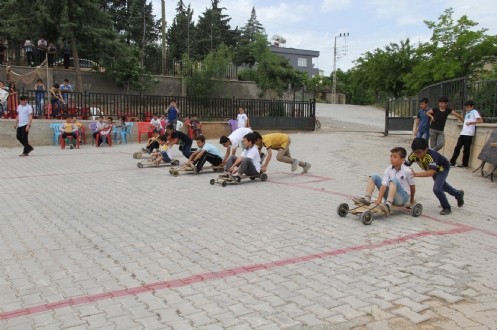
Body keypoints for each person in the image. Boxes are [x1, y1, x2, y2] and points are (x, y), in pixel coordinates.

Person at [405, 137, 464, 215]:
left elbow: (431, 173)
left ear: (426, 149)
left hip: (442, 169)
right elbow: (405, 166)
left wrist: (416, 174)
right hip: (433, 170)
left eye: (419, 152)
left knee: (437, 189)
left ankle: (446, 207)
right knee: (443, 187)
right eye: (415, 152)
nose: (417, 155)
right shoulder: (413, 154)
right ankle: (458, 194)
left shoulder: (431, 155)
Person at [353, 147, 416, 214]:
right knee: (374, 176)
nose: (392, 159)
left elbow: (412, 187)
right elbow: (384, 185)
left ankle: (388, 205)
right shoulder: (388, 169)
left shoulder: (408, 171)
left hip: (402, 198)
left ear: (402, 160)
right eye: (391, 156)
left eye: (395, 157)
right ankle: (367, 199)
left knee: (393, 180)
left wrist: (411, 201)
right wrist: (379, 199)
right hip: (390, 195)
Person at [449, 100, 483, 168]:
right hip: (463, 133)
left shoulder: (474, 112)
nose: (466, 108)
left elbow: (480, 121)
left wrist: (471, 123)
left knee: (466, 149)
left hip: (469, 134)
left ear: (472, 106)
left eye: (468, 107)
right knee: (457, 148)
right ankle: (452, 162)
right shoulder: (468, 113)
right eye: (466, 107)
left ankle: (464, 164)